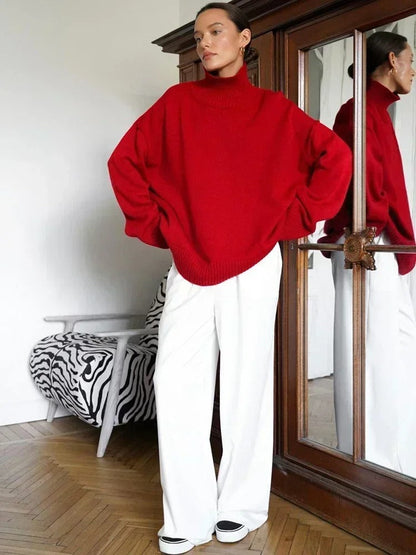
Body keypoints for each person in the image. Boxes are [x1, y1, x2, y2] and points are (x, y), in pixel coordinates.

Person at [108, 3, 351, 553]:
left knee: (246, 386)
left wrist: (293, 218)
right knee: (175, 386)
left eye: (216, 31)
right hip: (191, 263)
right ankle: (187, 515)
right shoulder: (176, 104)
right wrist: (161, 228)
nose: (205, 43)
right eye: (198, 35)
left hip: (256, 264)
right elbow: (123, 163)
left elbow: (335, 157)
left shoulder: (274, 110)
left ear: (244, 38)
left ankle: (240, 506)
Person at [319, 31, 416, 475]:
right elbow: (356, 182)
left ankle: (394, 456)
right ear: (392, 61)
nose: (413, 70)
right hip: (368, 246)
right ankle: (369, 462)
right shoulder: (358, 110)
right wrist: (372, 230)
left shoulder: (373, 110)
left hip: (380, 245)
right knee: (370, 352)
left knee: (394, 348)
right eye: (410, 60)